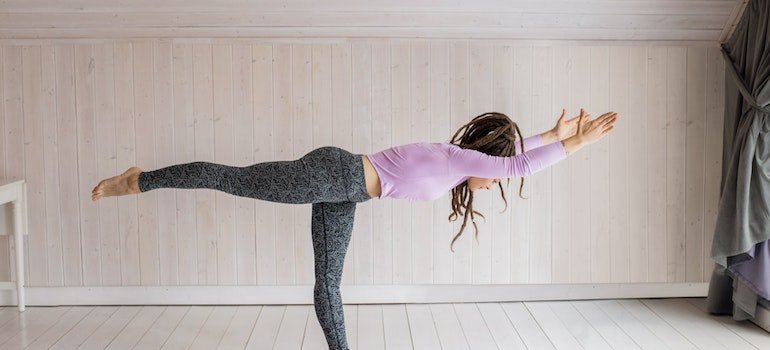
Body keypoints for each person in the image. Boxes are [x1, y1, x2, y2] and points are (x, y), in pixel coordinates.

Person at [91, 108, 617, 350]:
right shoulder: (458, 159)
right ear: (484, 162)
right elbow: (515, 167)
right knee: (232, 180)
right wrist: (578, 144)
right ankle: (140, 180)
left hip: (346, 190)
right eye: (492, 176)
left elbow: (507, 159)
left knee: (329, 283)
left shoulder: (459, 162)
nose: (491, 183)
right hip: (333, 174)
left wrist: (550, 132)